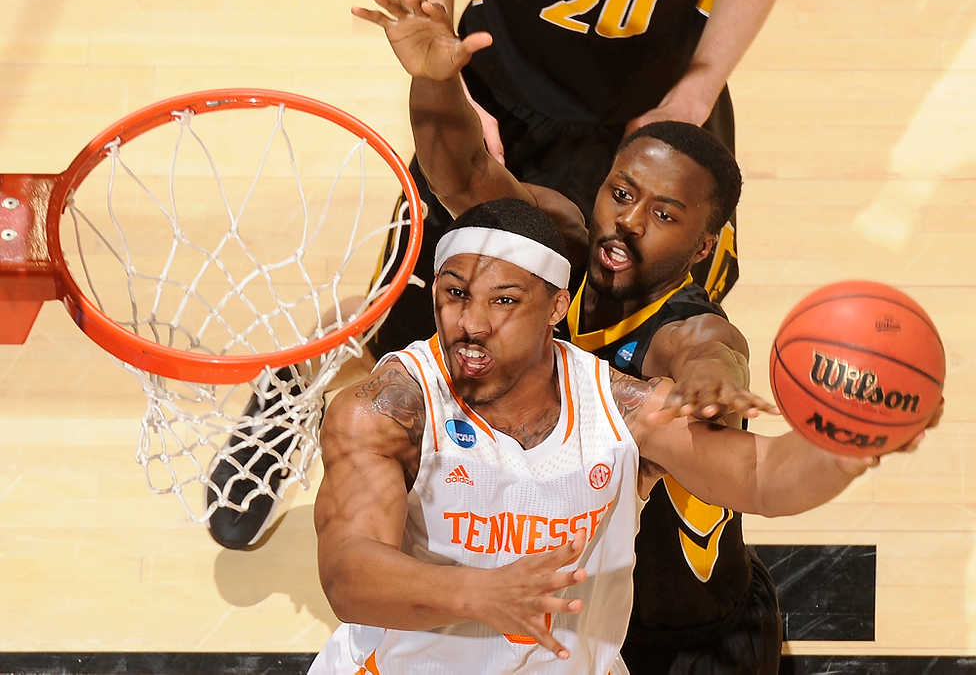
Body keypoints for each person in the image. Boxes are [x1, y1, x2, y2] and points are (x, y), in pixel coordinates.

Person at [308, 198, 928, 675]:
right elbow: (348, 575)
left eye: (503, 301)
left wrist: (851, 443)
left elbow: (764, 478)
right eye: (454, 295)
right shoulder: (390, 406)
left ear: (554, 308)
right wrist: (480, 593)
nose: (471, 323)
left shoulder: (621, 407)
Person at [358, 0, 783, 670]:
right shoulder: (567, 247)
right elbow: (468, 174)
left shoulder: (686, 323)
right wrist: (434, 79)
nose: (629, 222)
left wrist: (712, 390)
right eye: (621, 194)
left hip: (682, 633)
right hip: (561, 615)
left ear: (703, 248)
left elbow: (711, 353)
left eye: (663, 214)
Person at [366, 0, 785, 365]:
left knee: (658, 358)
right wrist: (445, 82)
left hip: (660, 126)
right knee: (411, 344)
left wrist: (696, 93)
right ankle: (302, 393)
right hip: (501, 95)